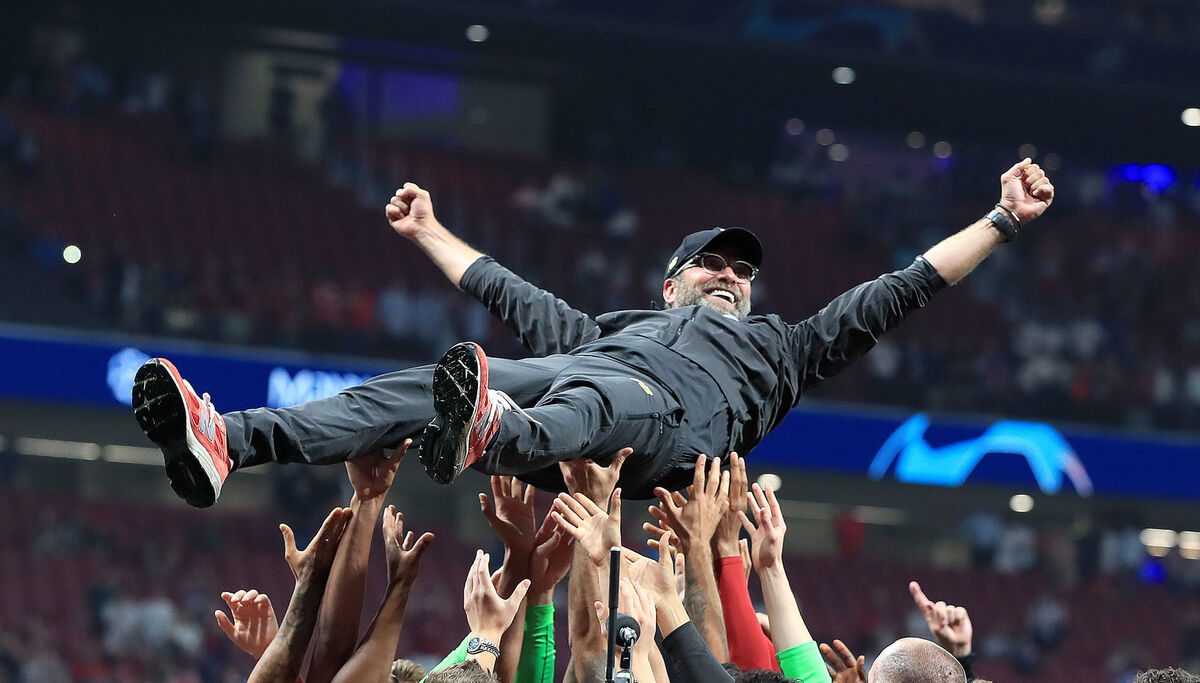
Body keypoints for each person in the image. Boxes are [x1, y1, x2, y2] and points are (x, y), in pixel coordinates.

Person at [132, 160, 1054, 507]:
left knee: (599, 395)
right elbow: (508, 289)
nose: (732, 275)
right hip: (575, 392)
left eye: (743, 270)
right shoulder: (611, 327)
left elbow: (900, 290)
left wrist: (1002, 221)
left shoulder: (784, 347)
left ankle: (492, 431)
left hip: (671, 429)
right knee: (419, 387)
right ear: (672, 283)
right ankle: (230, 440)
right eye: (713, 263)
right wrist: (427, 232)